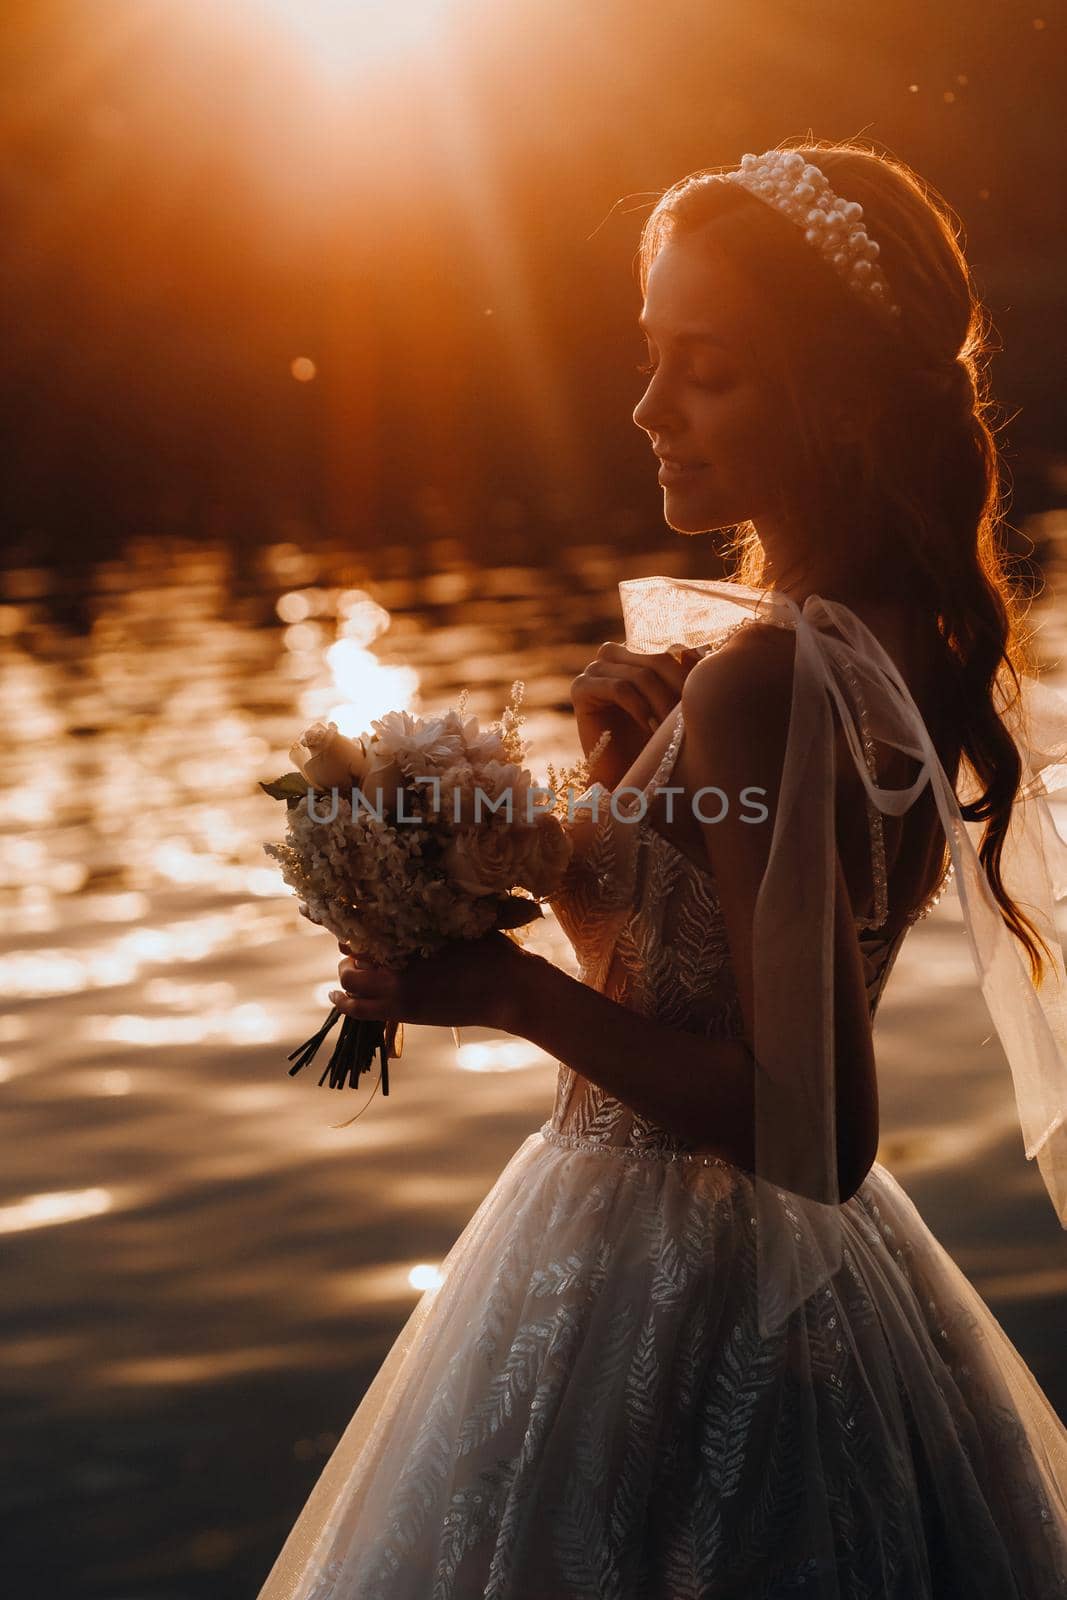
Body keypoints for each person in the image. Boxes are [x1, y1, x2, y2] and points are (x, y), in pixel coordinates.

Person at [256, 140, 1067, 1598]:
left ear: (838, 395)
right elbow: (684, 978)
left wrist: (505, 991)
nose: (649, 409)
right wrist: (613, 802)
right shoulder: (872, 640)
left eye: (711, 370)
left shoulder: (771, 679)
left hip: (677, 1297)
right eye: (652, 358)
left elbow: (816, 1135)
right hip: (787, 1283)